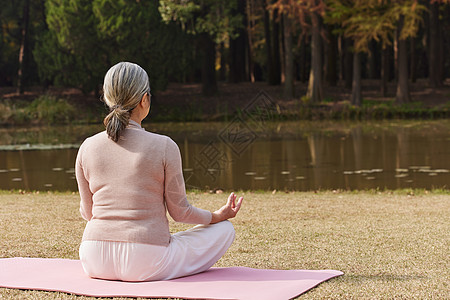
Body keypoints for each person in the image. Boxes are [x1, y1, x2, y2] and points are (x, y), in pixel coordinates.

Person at [75, 62, 243, 282]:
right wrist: (218, 217)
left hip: (94, 259)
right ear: (145, 99)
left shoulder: (87, 146)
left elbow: (88, 213)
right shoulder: (164, 146)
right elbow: (180, 213)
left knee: (179, 239)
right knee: (225, 230)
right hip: (146, 261)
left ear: (107, 98)